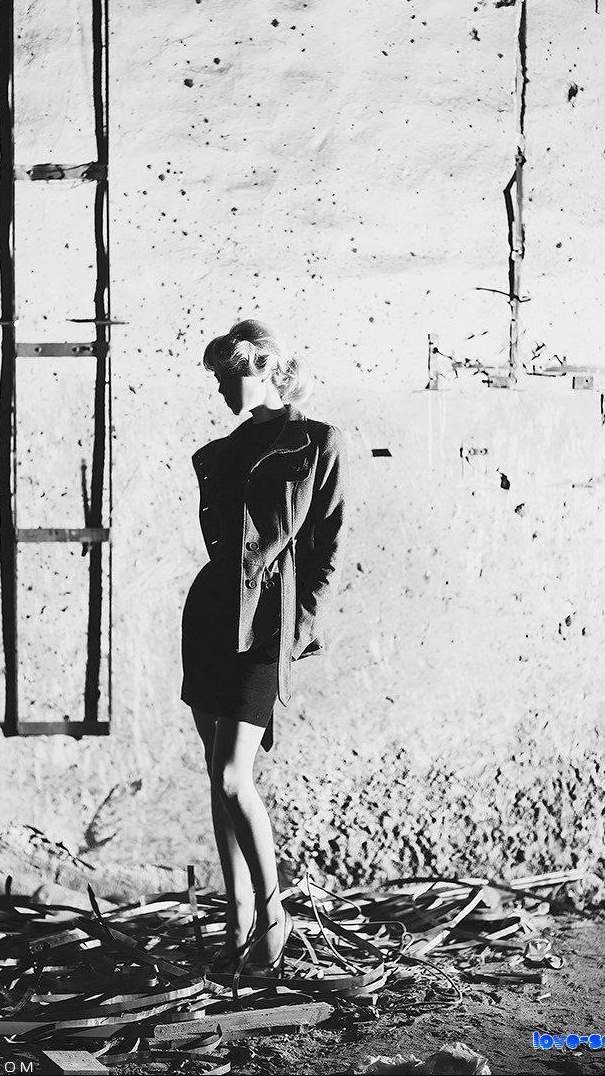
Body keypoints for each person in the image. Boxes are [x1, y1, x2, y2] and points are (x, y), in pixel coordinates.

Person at [181, 319, 349, 976]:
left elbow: (327, 547)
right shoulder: (220, 453)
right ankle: (238, 919)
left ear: (264, 369)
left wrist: (297, 629)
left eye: (232, 376)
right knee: (217, 777)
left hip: (268, 624)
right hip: (212, 616)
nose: (224, 389)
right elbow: (222, 545)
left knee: (233, 775)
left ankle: (273, 914)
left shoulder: (318, 442)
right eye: (219, 379)